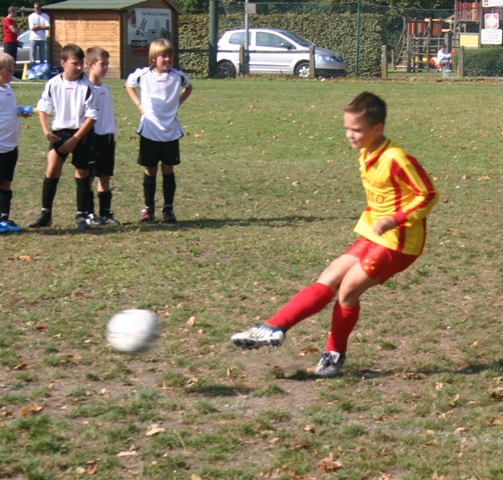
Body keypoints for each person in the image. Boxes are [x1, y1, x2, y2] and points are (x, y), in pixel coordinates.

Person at [231, 92, 439, 377]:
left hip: (399, 242)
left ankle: (333, 355)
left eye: (357, 129)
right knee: (328, 278)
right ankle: (274, 327)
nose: (350, 135)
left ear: (377, 128)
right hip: (373, 234)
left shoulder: (396, 158)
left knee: (348, 290)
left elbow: (427, 195)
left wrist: (394, 218)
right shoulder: (367, 151)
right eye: (347, 129)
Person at [27, 43, 97, 230]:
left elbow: (91, 117)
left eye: (81, 63)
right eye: (75, 63)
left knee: (82, 172)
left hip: (80, 133)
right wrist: (46, 132)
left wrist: (76, 138)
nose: (79, 67)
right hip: (59, 133)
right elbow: (43, 108)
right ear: (63, 63)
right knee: (51, 170)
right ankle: (45, 213)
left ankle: (81, 215)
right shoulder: (53, 83)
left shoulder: (86, 86)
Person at [125, 38, 192, 224]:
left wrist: (177, 103)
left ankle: (168, 209)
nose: (167, 59)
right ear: (153, 58)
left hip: (170, 130)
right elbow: (128, 85)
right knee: (150, 169)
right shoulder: (143, 75)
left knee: (168, 169)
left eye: (170, 55)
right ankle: (148, 208)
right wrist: (139, 105)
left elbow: (188, 88)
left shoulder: (178, 76)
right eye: (163, 55)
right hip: (150, 130)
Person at [85, 46, 117, 225]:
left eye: (107, 64)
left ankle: (105, 212)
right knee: (89, 176)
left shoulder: (106, 88)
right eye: (102, 64)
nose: (105, 67)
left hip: (107, 137)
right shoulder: (86, 88)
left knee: (105, 175)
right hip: (92, 138)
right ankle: (89, 213)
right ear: (91, 65)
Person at [0, 52, 25, 233]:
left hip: (10, 145)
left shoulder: (8, 89)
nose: (11, 74)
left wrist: (19, 111)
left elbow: (8, 111)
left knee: (7, 182)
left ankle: (4, 218)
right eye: (8, 71)